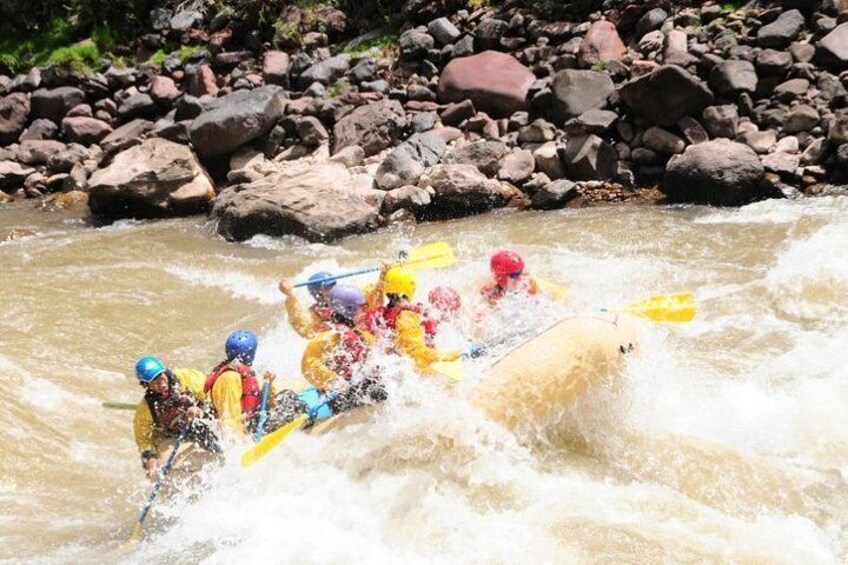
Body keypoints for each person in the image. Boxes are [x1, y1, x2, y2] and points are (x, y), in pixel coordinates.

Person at [132, 356, 221, 481]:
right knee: (160, 472)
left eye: (160, 376)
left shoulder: (185, 378)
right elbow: (143, 440)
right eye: (154, 381)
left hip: (202, 421)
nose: (161, 383)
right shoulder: (146, 408)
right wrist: (149, 458)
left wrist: (201, 410)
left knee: (218, 448)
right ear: (146, 384)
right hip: (175, 435)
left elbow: (212, 394)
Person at [302, 284, 386, 413]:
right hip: (340, 395)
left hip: (358, 387)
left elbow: (377, 354)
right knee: (376, 387)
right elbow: (309, 365)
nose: (364, 312)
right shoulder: (329, 338)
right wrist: (335, 381)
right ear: (350, 310)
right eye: (361, 308)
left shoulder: (360, 334)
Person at [205, 330, 304, 439]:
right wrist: (239, 442)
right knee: (294, 404)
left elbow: (267, 402)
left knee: (287, 395)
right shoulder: (230, 378)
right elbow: (229, 417)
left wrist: (268, 383)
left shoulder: (239, 372)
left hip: (250, 421)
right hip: (245, 430)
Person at [366, 266, 461, 371]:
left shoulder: (380, 313)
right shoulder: (407, 317)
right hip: (405, 367)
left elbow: (372, 298)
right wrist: (449, 356)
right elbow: (417, 353)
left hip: (388, 360)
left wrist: (383, 276)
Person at [279, 271, 336, 339]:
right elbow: (302, 327)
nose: (334, 290)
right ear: (318, 293)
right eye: (328, 288)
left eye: (333, 286)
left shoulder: (343, 300)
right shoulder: (315, 313)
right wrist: (290, 295)